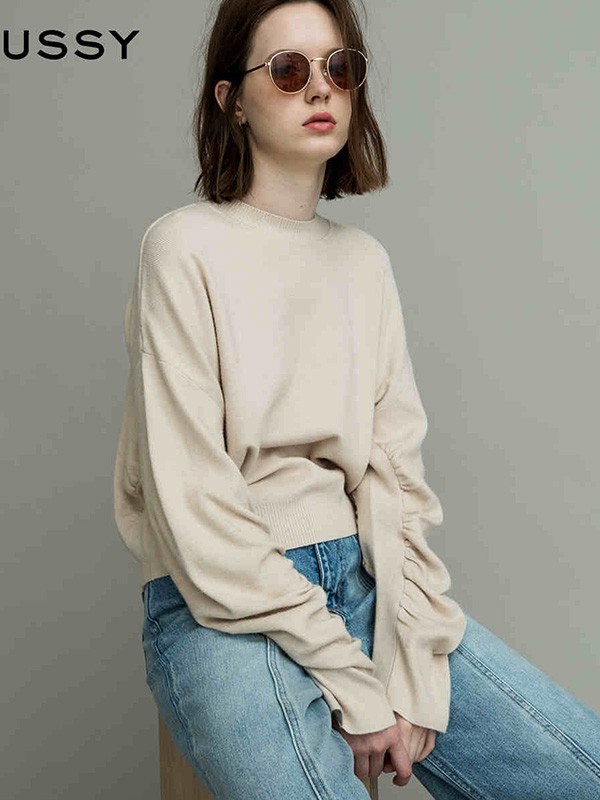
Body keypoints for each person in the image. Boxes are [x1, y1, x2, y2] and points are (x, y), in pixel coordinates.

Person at [112, 1, 600, 798]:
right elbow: (194, 504)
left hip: (363, 584)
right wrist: (352, 680)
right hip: (219, 605)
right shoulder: (182, 247)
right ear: (231, 100)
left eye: (339, 68)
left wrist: (410, 658)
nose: (320, 89)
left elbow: (395, 482)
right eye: (288, 71)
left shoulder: (361, 263)